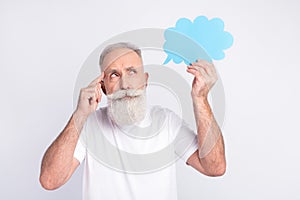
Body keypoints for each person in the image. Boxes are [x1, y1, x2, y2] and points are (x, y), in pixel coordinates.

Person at [39, 42, 226, 200]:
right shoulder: (88, 125)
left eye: (132, 72)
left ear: (145, 81)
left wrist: (200, 98)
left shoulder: (166, 121)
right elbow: (50, 180)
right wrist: (79, 115)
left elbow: (215, 167)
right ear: (102, 87)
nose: (125, 84)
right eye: (114, 75)